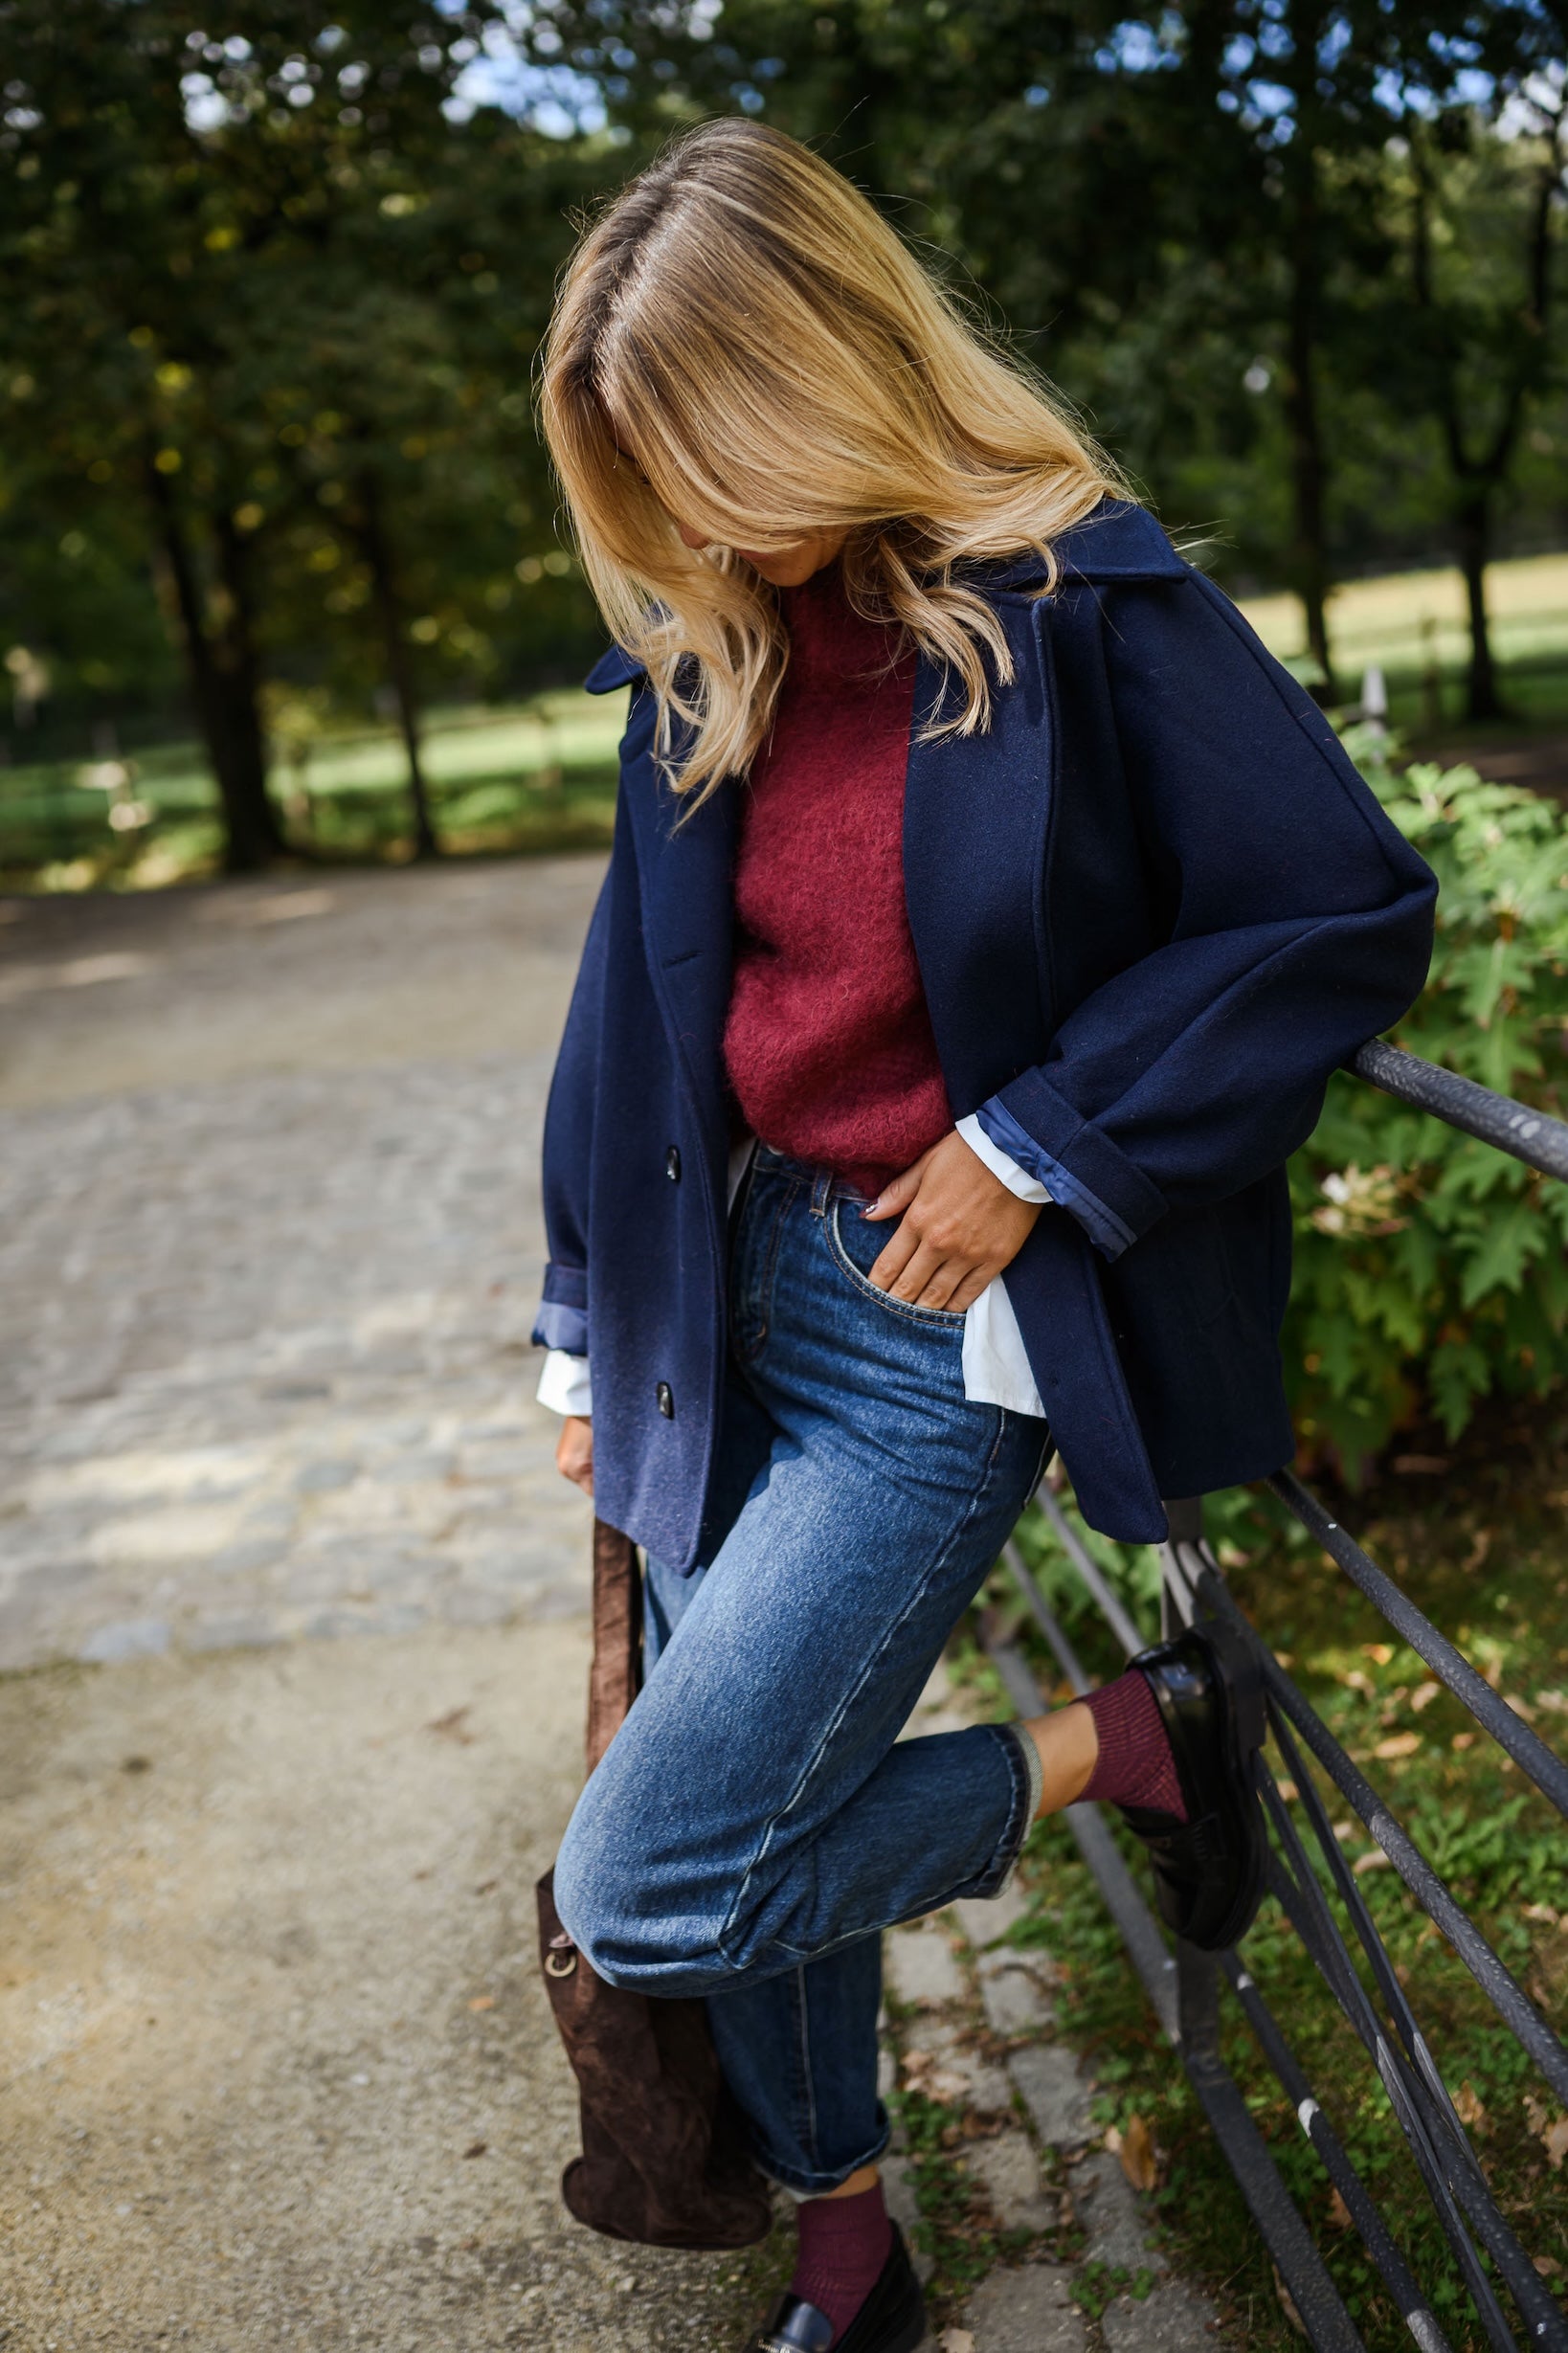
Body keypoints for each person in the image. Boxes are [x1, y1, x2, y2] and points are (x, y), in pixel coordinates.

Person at [530, 118, 1436, 2353]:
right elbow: (634, 1007)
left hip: (938, 1344)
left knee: (650, 1874)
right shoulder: (713, 649)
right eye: (647, 472)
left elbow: (1338, 905)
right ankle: (858, 2253)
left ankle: (1122, 1740)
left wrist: (1042, 1136)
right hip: (725, 1300)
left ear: (822, 367)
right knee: (765, 1801)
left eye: (711, 445)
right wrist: (581, 1323)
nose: (695, 517)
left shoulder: (1082, 594)